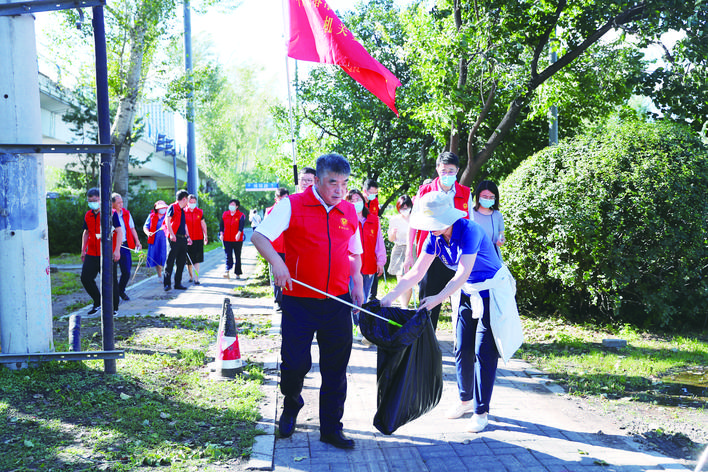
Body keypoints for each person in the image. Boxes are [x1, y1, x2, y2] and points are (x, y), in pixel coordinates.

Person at [252, 153, 364, 449]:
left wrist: (359, 287)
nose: (339, 189)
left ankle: (330, 427)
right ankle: (291, 402)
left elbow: (355, 253)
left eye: (344, 183)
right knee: (294, 365)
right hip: (299, 302)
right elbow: (260, 237)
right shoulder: (292, 205)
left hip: (337, 301)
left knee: (336, 369)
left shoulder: (349, 212)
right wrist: (277, 263)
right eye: (332, 182)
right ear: (317, 180)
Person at [381, 191, 502, 433]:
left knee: (482, 351)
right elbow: (416, 272)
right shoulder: (433, 238)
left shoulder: (470, 231)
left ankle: (481, 411)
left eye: (435, 222)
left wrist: (437, 299)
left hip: (491, 292)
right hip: (467, 292)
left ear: (449, 217)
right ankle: (465, 400)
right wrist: (389, 297)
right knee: (462, 347)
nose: (431, 228)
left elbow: (462, 272)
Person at [404, 151, 473, 330]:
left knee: (459, 301)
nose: (447, 175)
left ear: (457, 170)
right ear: (437, 170)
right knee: (428, 300)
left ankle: (460, 344)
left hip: (457, 253)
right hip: (431, 252)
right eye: (443, 171)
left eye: (451, 171)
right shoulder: (425, 191)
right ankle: (424, 341)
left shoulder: (465, 193)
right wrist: (408, 255)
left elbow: (470, 223)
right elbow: (414, 223)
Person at [80, 187, 122, 315]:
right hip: (92, 253)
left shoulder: (111, 213)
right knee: (85, 278)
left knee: (111, 281)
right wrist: (83, 249)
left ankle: (113, 308)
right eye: (90, 200)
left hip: (107, 252)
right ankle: (98, 301)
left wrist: (117, 250)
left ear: (101, 200)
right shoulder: (88, 214)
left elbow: (119, 231)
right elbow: (86, 232)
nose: (92, 202)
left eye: (95, 200)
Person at [111, 193, 142, 301]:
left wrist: (137, 241)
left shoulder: (126, 214)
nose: (121, 204)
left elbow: (132, 228)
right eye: (118, 202)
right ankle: (113, 294)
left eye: (122, 202)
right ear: (112, 203)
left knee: (127, 271)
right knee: (112, 272)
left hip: (125, 245)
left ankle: (120, 290)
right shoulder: (110, 214)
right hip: (113, 246)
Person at [386, 195, 413, 308]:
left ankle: (406, 304)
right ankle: (404, 306)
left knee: (410, 278)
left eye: (407, 207)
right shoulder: (394, 219)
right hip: (399, 248)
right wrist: (392, 233)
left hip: (412, 248)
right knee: (400, 279)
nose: (405, 210)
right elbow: (391, 239)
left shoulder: (415, 218)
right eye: (402, 208)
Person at [265, 187, 290, 312]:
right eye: (281, 199)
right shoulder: (270, 211)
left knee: (290, 275)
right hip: (275, 249)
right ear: (276, 199)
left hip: (290, 249)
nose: (283, 201)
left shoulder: (292, 209)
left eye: (285, 198)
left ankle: (288, 300)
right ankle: (277, 301)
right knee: (276, 276)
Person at [163, 190, 192, 291]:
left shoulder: (183, 210)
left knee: (181, 261)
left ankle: (178, 283)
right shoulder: (173, 207)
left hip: (182, 238)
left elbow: (184, 224)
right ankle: (167, 283)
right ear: (184, 198)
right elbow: (167, 220)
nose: (188, 202)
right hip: (173, 238)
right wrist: (171, 234)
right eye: (187, 199)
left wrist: (188, 237)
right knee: (170, 261)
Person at [472, 180, 505, 261]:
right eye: (485, 197)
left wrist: (501, 240)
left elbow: (502, 235)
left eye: (491, 197)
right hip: (474, 257)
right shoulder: (470, 214)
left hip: (493, 257)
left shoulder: (498, 215)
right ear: (478, 196)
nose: (488, 199)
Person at [143, 200, 169, 281]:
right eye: (161, 208)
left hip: (165, 240)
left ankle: (167, 274)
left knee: (166, 257)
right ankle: (159, 275)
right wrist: (148, 233)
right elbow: (145, 227)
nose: (163, 209)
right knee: (157, 257)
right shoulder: (151, 216)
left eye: (164, 207)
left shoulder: (168, 216)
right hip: (155, 240)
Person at [220, 199, 245, 279]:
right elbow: (221, 225)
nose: (231, 206)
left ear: (237, 206)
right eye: (230, 204)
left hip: (237, 239)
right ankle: (227, 271)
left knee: (238, 256)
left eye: (233, 204)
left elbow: (241, 226)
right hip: (226, 239)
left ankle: (237, 273)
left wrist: (239, 233)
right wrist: (221, 234)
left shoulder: (241, 215)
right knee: (228, 255)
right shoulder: (225, 214)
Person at [185, 194, 208, 285]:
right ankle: (190, 275)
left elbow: (203, 224)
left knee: (197, 259)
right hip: (187, 239)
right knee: (189, 261)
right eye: (191, 202)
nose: (192, 204)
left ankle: (196, 278)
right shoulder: (183, 212)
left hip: (198, 238)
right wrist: (186, 236)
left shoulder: (199, 212)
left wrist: (205, 235)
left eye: (194, 202)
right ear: (187, 202)